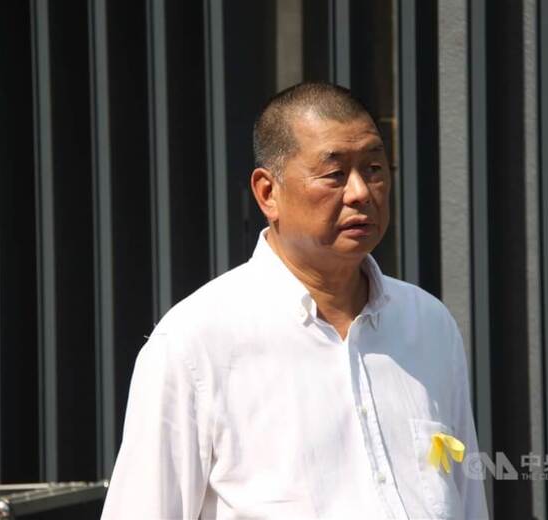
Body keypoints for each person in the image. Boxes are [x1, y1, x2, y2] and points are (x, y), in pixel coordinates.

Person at [101, 82, 489, 519]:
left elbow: (466, 500)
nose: (361, 192)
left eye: (375, 168)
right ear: (268, 193)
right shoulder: (197, 342)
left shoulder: (428, 324)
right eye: (335, 174)